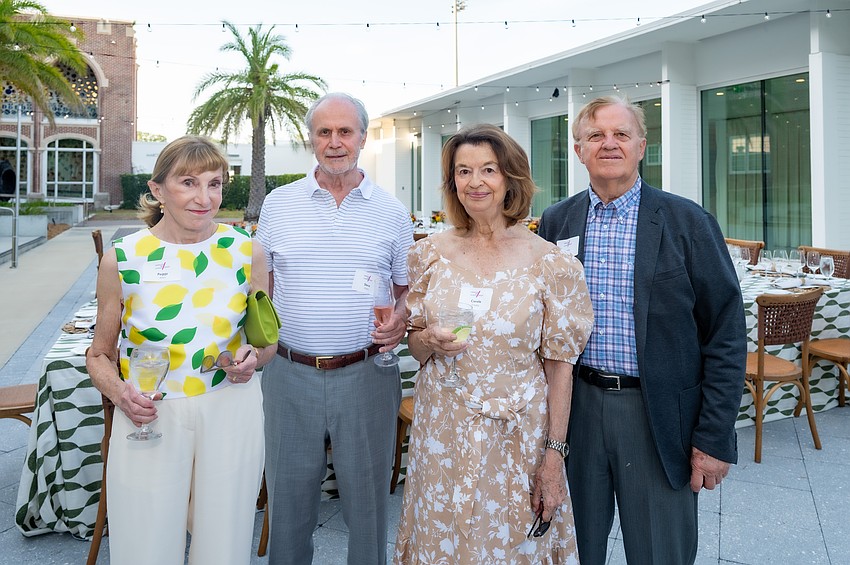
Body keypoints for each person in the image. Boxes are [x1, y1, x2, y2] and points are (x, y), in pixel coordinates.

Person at [537, 96, 747, 564]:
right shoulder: (557, 221)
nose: (608, 143)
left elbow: (727, 333)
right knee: (573, 548)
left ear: (641, 147)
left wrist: (714, 437)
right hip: (577, 412)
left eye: (620, 134)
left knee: (660, 552)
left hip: (658, 416)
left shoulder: (687, 221)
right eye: (595, 135)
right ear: (578, 151)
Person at [394, 124, 594, 564]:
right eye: (463, 171)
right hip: (443, 434)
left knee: (510, 546)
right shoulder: (429, 253)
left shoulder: (552, 263)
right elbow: (415, 346)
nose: (475, 181)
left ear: (511, 178)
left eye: (488, 169)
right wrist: (426, 338)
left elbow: (561, 367)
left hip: (516, 438)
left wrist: (554, 459)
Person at [86, 136, 273, 564]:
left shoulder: (247, 251)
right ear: (157, 190)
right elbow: (98, 354)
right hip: (149, 415)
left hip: (231, 408)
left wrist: (254, 359)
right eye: (188, 183)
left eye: (215, 183)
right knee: (144, 543)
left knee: (223, 544)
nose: (204, 197)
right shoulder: (123, 258)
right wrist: (120, 394)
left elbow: (266, 342)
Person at [256, 92, 413, 565]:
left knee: (367, 509)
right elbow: (259, 293)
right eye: (324, 132)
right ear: (311, 139)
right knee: (288, 506)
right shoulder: (278, 206)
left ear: (363, 137)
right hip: (289, 373)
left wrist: (402, 318)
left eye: (345, 131)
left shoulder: (391, 212)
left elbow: (408, 291)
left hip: (367, 374)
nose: (335, 141)